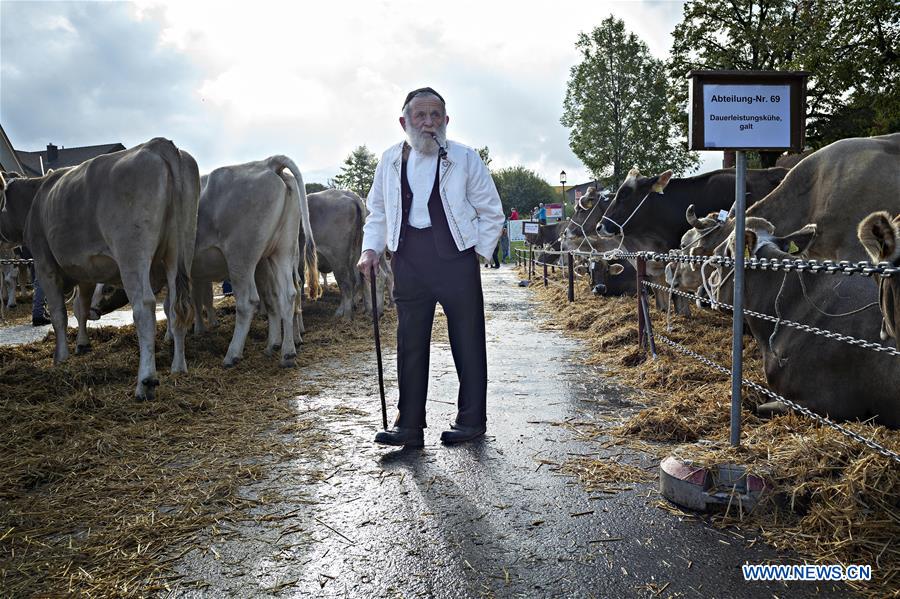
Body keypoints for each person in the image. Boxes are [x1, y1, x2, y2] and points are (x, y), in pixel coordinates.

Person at [357, 87, 504, 448]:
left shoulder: (465, 158)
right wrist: (370, 249)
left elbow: (491, 211)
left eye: (436, 115)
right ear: (404, 121)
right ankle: (408, 425)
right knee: (410, 342)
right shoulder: (389, 160)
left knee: (467, 341)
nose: (428, 122)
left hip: (455, 259)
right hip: (407, 258)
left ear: (446, 121)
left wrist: (477, 254)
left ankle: (471, 420)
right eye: (420, 115)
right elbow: (377, 211)